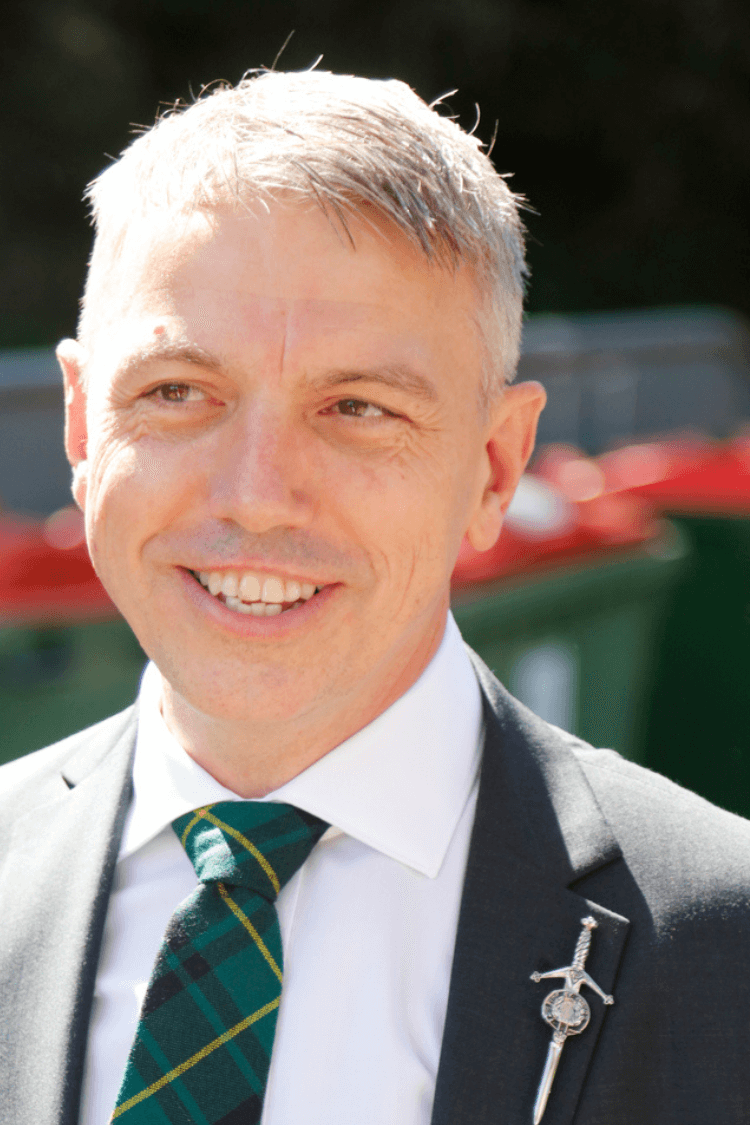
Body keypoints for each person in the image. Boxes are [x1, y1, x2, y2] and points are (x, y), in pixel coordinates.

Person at [1, 68, 749, 1125]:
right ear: (83, 430)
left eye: (356, 407)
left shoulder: (721, 946)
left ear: (494, 469)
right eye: (177, 393)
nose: (257, 496)